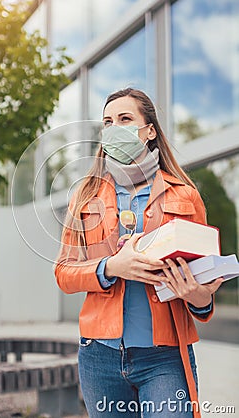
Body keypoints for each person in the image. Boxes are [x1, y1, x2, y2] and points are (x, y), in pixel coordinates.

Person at [54, 88, 222, 418]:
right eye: (107, 122)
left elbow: (205, 284)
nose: (115, 127)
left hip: (165, 357)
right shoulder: (85, 196)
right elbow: (64, 272)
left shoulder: (185, 196)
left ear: (149, 131)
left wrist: (198, 297)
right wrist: (111, 266)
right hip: (99, 356)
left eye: (125, 119)